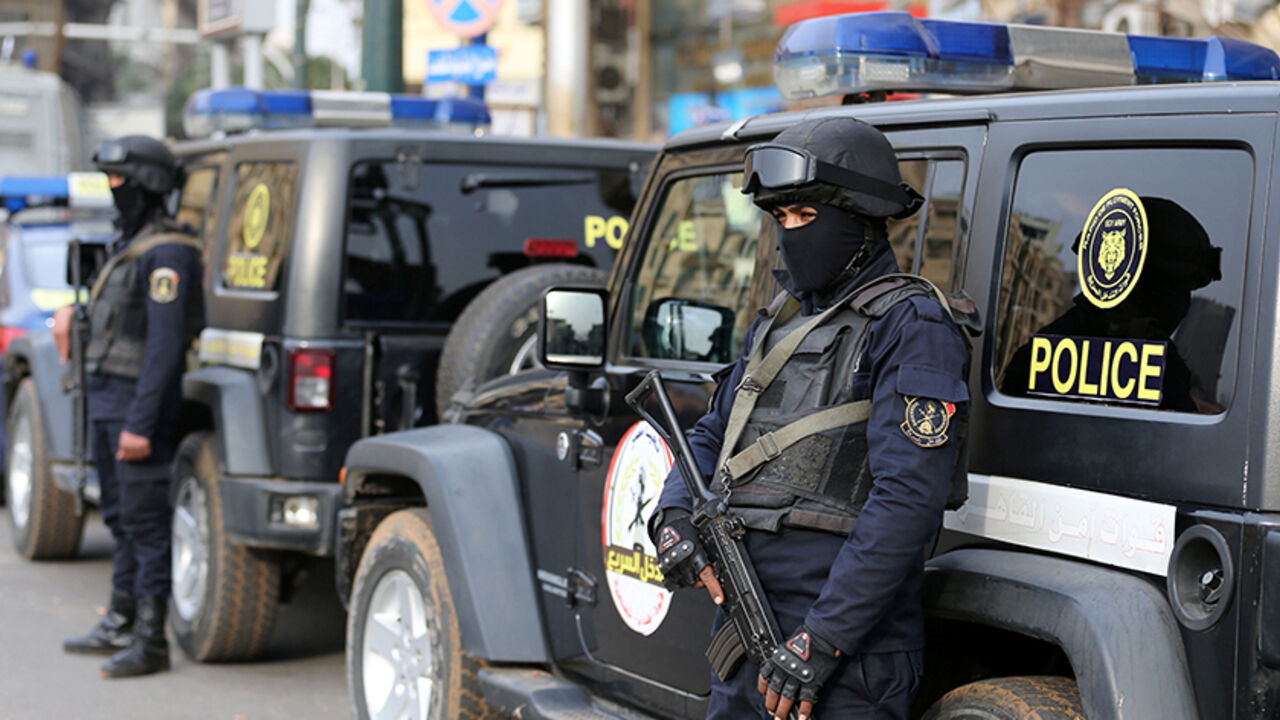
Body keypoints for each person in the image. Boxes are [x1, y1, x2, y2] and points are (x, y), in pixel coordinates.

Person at [648, 117, 974, 720]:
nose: (790, 235)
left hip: (845, 653)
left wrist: (824, 637)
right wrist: (671, 516)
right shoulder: (778, 323)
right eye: (780, 219)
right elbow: (711, 434)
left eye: (805, 217)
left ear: (859, 218)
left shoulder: (912, 326)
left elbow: (906, 500)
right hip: (748, 631)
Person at [56, 135, 203, 678]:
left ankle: (150, 640)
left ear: (146, 185)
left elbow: (164, 350)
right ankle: (120, 619)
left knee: (144, 525)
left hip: (136, 409)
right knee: (119, 516)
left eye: (120, 181)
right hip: (109, 400)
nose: (113, 191)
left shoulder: (167, 251)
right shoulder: (132, 243)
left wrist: (140, 424)